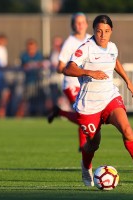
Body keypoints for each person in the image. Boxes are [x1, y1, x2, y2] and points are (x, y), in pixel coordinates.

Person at [63, 14, 133, 186]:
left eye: (106, 31)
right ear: (94, 31)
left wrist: (128, 81)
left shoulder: (113, 47)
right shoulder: (86, 48)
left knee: (127, 130)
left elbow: (114, 61)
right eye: (99, 31)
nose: (102, 35)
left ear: (111, 31)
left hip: (109, 97)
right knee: (93, 144)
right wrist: (89, 72)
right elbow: (68, 68)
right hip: (88, 105)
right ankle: (86, 166)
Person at [47, 12, 91, 152]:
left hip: (86, 84)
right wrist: (75, 70)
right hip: (72, 84)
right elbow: (60, 67)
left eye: (82, 22)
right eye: (77, 23)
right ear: (73, 25)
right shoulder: (69, 43)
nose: (80, 25)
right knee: (83, 114)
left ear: (87, 24)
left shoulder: (91, 40)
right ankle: (83, 145)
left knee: (86, 115)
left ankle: (60, 112)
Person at [17, 38, 44, 116]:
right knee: (24, 100)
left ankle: (37, 115)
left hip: (38, 82)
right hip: (27, 82)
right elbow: (22, 66)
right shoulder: (24, 55)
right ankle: (20, 115)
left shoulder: (39, 55)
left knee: (37, 100)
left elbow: (41, 64)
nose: (31, 49)